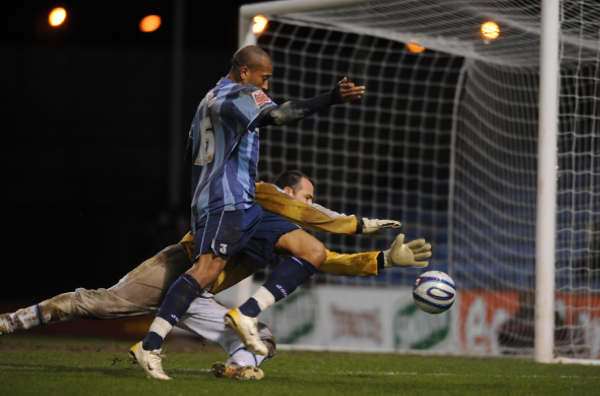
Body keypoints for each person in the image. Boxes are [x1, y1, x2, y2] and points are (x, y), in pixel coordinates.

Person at [0, 171, 431, 380]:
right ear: (289, 191)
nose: (310, 203)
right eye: (307, 195)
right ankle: (11, 321)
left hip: (201, 293)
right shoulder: (261, 195)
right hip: (179, 267)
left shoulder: (284, 229)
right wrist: (359, 223)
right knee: (96, 303)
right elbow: (313, 225)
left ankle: (234, 370)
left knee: (262, 342)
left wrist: (384, 260)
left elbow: (325, 258)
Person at [132, 45, 367, 379]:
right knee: (206, 270)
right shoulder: (235, 95)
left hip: (244, 204)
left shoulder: (209, 99)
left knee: (311, 250)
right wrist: (330, 98)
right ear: (245, 72)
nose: (267, 86)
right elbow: (280, 116)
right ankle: (150, 345)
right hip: (224, 203)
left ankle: (247, 313)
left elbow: (191, 152)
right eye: (264, 78)